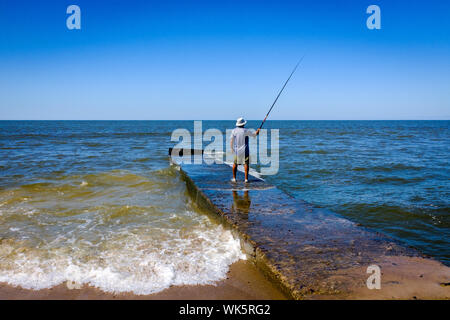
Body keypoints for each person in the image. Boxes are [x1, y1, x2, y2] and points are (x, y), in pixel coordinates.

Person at [230, 117, 260, 183]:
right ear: (243, 124)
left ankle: (234, 178)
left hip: (237, 151)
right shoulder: (246, 131)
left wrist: (231, 148)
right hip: (245, 150)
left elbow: (231, 140)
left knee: (235, 164)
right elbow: (254, 135)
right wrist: (257, 131)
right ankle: (246, 179)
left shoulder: (234, 131)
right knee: (246, 164)